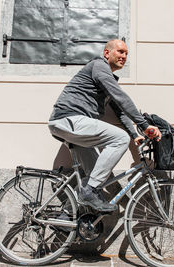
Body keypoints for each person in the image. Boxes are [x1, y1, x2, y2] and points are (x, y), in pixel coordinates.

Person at [48, 39, 161, 212]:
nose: (124, 56)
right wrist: (144, 125)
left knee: (96, 175)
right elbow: (120, 97)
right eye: (120, 52)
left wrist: (135, 134)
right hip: (69, 119)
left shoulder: (106, 76)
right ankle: (89, 192)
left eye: (126, 54)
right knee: (119, 139)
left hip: (73, 127)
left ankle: (68, 215)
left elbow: (120, 110)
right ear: (107, 53)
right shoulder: (99, 66)